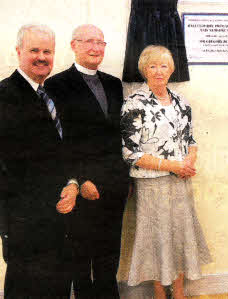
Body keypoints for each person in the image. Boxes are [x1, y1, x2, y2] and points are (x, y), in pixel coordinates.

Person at [45, 24, 130, 298]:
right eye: (88, 42)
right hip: (83, 184)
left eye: (100, 43)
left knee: (109, 254)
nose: (95, 48)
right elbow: (61, 140)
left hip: (115, 184)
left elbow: (117, 135)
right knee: (81, 255)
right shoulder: (57, 84)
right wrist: (80, 180)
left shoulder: (114, 84)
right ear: (74, 45)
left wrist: (122, 178)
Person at [121, 45, 211, 299]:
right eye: (152, 66)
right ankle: (160, 293)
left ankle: (179, 291)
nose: (158, 71)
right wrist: (173, 166)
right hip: (152, 184)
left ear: (171, 69)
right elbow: (130, 153)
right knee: (157, 240)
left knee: (180, 237)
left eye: (163, 66)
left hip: (181, 182)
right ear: (144, 70)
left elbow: (191, 140)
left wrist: (189, 160)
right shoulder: (134, 103)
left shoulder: (181, 101)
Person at [0, 24, 76, 298]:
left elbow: (64, 150)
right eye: (34, 50)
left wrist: (72, 183)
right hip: (25, 222)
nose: (42, 57)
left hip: (60, 217)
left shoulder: (53, 94)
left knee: (57, 288)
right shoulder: (4, 95)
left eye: (48, 51)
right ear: (19, 51)